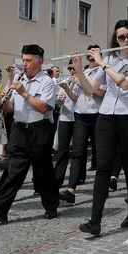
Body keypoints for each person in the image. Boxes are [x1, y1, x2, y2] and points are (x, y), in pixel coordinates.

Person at [73, 19, 128, 236]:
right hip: (106, 117)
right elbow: (90, 88)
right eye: (121, 37)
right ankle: (95, 221)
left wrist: (103, 63)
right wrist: (79, 71)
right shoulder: (109, 58)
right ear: (115, 39)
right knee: (103, 168)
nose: (125, 40)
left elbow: (125, 83)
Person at [0, 44, 59, 223]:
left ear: (39, 61)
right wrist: (3, 100)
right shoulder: (18, 78)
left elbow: (43, 108)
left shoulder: (47, 82)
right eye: (23, 60)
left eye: (29, 60)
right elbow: (10, 108)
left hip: (39, 129)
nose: (24, 64)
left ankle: (51, 205)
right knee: (14, 170)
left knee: (43, 172)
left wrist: (23, 92)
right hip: (19, 129)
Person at [59, 48, 105, 203]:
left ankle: (103, 186)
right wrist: (66, 87)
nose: (90, 62)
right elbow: (75, 97)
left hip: (97, 115)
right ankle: (71, 190)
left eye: (93, 59)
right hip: (80, 116)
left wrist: (82, 82)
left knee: (100, 153)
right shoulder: (82, 73)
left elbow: (100, 93)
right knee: (78, 152)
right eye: (88, 59)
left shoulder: (103, 72)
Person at [54, 61, 78, 199]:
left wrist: (67, 90)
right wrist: (58, 98)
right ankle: (58, 178)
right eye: (69, 68)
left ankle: (75, 180)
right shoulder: (66, 81)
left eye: (73, 68)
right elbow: (59, 101)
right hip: (64, 117)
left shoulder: (82, 81)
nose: (71, 71)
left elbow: (77, 98)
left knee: (77, 151)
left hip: (77, 118)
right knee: (62, 149)